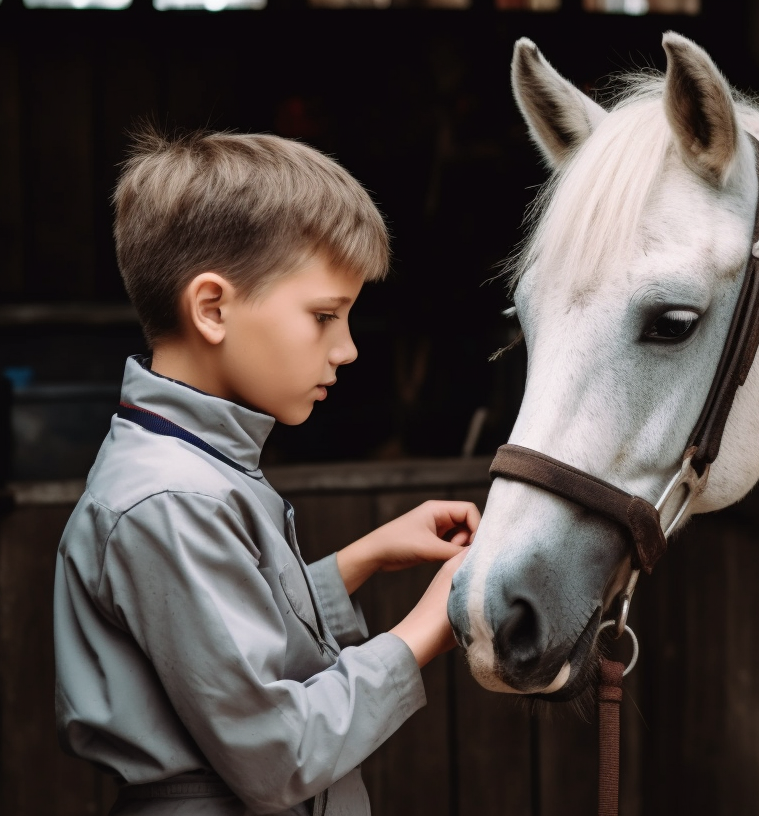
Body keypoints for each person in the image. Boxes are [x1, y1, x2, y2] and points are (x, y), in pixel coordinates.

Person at [54, 129, 472, 816]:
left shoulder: (188, 464)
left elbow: (219, 638)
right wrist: (427, 626)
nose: (348, 349)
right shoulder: (171, 498)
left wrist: (361, 561)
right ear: (213, 309)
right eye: (325, 316)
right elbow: (279, 753)